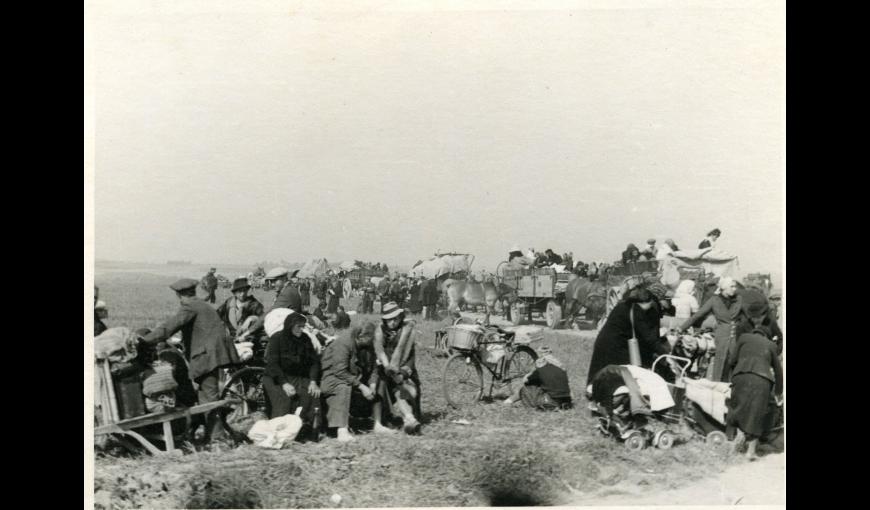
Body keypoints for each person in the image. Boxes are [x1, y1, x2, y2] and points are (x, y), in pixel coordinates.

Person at [141, 278, 240, 441]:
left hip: (207, 356)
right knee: (205, 395)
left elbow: (168, 328)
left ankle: (218, 438)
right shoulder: (201, 305)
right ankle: (211, 434)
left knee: (209, 397)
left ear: (180, 295)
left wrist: (144, 340)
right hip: (211, 354)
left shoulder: (190, 307)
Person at [586, 286, 672, 389]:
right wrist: (666, 355)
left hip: (605, 342)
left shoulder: (623, 305)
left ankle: (594, 391)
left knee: (602, 372)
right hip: (617, 346)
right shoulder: (637, 310)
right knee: (621, 374)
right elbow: (649, 338)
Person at [725, 311, 783, 461]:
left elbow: (731, 360)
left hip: (741, 377)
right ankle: (750, 452)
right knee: (756, 414)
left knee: (736, 408)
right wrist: (778, 391)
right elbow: (778, 371)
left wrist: (731, 378)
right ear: (767, 336)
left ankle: (731, 446)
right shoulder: (770, 345)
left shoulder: (744, 338)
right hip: (762, 381)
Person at [319, 324, 378, 442]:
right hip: (331, 377)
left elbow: (374, 367)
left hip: (353, 376)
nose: (373, 341)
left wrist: (372, 384)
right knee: (343, 387)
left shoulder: (367, 345)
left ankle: (379, 422)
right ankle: (342, 430)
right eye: (370, 338)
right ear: (361, 337)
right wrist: (361, 386)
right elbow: (339, 371)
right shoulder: (344, 343)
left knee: (381, 380)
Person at [263, 312, 321, 427]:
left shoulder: (305, 339)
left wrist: (313, 381)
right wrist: (284, 383)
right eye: (298, 326)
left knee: (313, 396)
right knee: (284, 401)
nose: (301, 329)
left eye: (303, 326)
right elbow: (273, 364)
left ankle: (310, 428)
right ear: (290, 325)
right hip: (276, 377)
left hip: (297, 376)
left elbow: (314, 362)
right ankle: (280, 430)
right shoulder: (277, 338)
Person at [679, 276, 743, 382]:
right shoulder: (714, 300)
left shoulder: (739, 299)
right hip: (721, 337)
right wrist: (681, 328)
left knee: (734, 363)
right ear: (724, 288)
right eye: (731, 286)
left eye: (735, 286)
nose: (734, 289)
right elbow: (697, 315)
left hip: (735, 337)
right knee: (720, 364)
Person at [374, 302, 422, 434]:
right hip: (385, 370)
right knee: (390, 385)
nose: (393, 322)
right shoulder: (380, 333)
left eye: (396, 318)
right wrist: (385, 366)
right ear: (384, 320)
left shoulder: (406, 332)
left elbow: (410, 357)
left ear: (400, 317)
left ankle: (410, 418)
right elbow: (379, 352)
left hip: (404, 370)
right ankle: (408, 418)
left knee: (401, 386)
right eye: (389, 319)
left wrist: (402, 373)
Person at [503, 346, 572, 410]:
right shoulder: (561, 370)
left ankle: (508, 401)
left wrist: (530, 373)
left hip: (550, 401)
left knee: (526, 389)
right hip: (567, 401)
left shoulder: (540, 371)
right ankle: (560, 404)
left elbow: (525, 381)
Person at [247, 267, 303, 334]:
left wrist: (249, 331)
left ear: (283, 279)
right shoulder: (289, 289)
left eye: (274, 281)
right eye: (271, 281)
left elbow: (270, 314)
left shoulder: (287, 293)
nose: (272, 284)